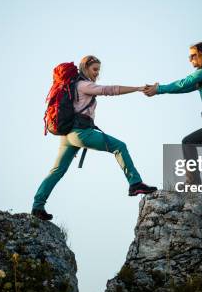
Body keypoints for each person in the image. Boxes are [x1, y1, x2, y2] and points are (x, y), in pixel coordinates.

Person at [32, 55, 158, 220]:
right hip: (80, 133)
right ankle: (135, 184)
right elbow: (109, 90)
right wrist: (137, 88)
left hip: (67, 136)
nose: (97, 73)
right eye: (94, 69)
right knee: (119, 146)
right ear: (85, 68)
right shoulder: (83, 85)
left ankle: (37, 206)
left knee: (57, 171)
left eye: (98, 70)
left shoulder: (73, 85)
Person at [143, 42, 202, 186]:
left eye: (193, 55)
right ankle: (193, 183)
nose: (190, 59)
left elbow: (183, 83)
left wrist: (159, 89)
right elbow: (184, 88)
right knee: (188, 142)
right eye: (189, 56)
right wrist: (158, 89)